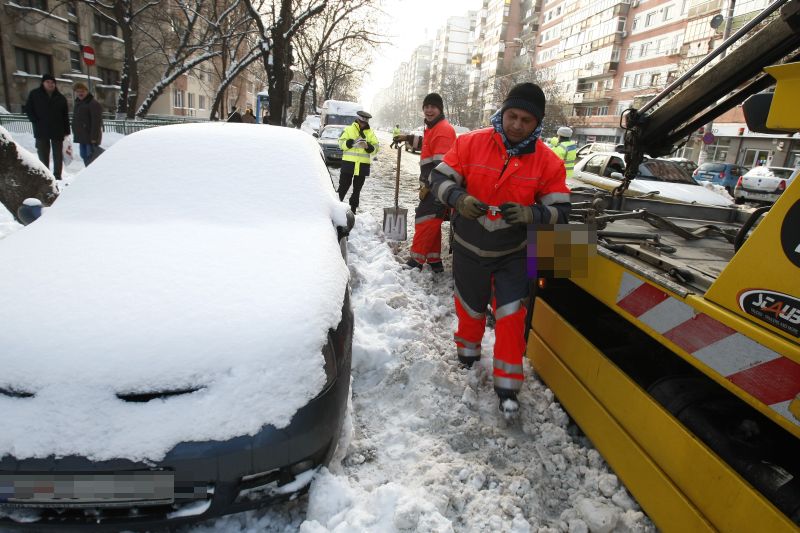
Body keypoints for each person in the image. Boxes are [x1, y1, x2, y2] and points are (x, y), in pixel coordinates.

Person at [429, 82, 571, 415]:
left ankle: (508, 387)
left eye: (526, 120)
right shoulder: (470, 143)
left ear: (538, 124)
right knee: (470, 308)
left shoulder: (548, 162)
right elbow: (438, 180)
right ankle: (467, 355)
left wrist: (531, 214)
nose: (517, 125)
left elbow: (563, 212)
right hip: (468, 247)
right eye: (513, 116)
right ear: (503, 112)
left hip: (514, 253)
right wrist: (458, 198)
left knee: (510, 317)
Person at [393, 93, 456, 273]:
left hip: (438, 185)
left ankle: (417, 260)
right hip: (434, 184)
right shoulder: (433, 127)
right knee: (433, 221)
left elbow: (442, 165)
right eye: (426, 106)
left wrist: (429, 186)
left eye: (433, 107)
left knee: (425, 220)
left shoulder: (443, 130)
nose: (429, 110)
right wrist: (407, 138)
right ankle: (435, 261)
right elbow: (427, 144)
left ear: (440, 109)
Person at [25, 73, 70, 180]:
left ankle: (57, 176)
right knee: (43, 153)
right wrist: (35, 121)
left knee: (57, 154)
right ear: (43, 83)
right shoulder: (35, 94)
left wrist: (66, 130)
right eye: (48, 82)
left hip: (57, 130)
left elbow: (65, 115)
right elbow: (28, 109)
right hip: (41, 129)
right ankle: (45, 176)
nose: (50, 84)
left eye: (52, 82)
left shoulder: (60, 98)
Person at [337, 110, 379, 214]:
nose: (363, 124)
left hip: (362, 166)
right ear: (358, 120)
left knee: (357, 190)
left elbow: (376, 148)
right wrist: (348, 143)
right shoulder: (348, 129)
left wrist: (368, 146)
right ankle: (336, 208)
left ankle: (353, 210)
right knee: (343, 187)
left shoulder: (370, 133)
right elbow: (340, 144)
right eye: (361, 122)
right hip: (348, 164)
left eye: (365, 122)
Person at [71, 82, 104, 166]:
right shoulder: (78, 103)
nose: (80, 93)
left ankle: (92, 173)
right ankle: (88, 172)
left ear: (87, 91)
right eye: (78, 91)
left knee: (91, 157)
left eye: (82, 91)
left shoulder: (93, 104)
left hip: (90, 137)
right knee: (84, 155)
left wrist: (93, 138)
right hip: (82, 136)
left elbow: (96, 122)